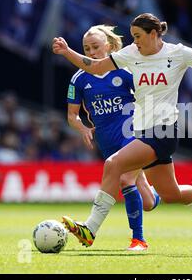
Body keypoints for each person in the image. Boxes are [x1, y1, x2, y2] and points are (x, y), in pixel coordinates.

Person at [53, 13, 192, 247]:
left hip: (164, 130)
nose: (134, 41)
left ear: (154, 34)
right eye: (133, 36)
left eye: (138, 36)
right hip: (144, 131)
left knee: (114, 165)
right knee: (171, 194)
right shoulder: (131, 54)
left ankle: (91, 229)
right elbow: (96, 68)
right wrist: (67, 52)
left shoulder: (177, 53)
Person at [63, 24, 160, 251]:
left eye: (95, 47)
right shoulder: (79, 79)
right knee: (146, 201)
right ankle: (160, 195)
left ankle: (139, 240)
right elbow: (71, 115)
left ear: (108, 46)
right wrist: (83, 128)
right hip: (107, 141)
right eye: (87, 49)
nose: (91, 52)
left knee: (125, 179)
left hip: (133, 133)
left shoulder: (125, 71)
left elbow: (148, 96)